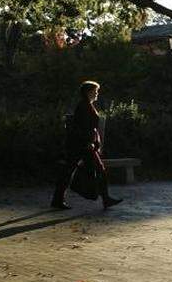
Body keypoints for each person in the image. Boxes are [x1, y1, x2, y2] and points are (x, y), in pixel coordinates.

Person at [51, 80, 123, 210]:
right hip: (83, 145)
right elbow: (83, 127)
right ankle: (105, 199)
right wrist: (89, 142)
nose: (97, 93)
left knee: (69, 171)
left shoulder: (85, 105)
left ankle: (58, 199)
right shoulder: (84, 106)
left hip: (81, 145)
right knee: (95, 170)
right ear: (88, 92)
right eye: (95, 91)